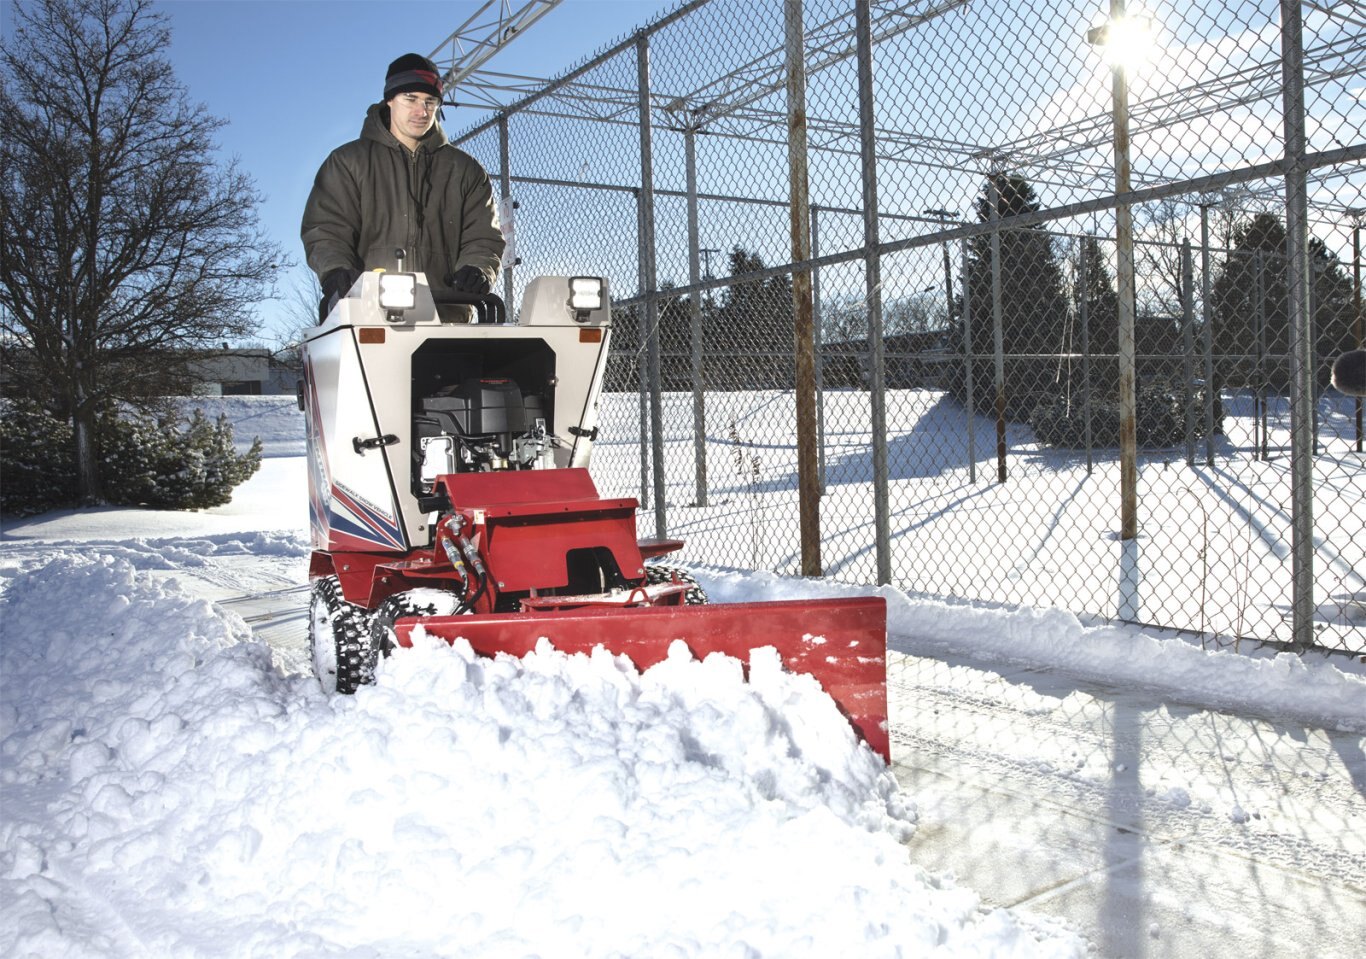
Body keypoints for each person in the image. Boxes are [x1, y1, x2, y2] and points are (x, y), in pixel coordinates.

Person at [302, 53, 505, 321]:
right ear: (390, 100)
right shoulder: (349, 162)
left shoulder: (465, 170)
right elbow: (326, 229)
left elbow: (483, 237)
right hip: (369, 316)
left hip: (446, 314)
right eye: (410, 99)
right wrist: (335, 270)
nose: (421, 111)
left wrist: (477, 269)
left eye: (430, 102)